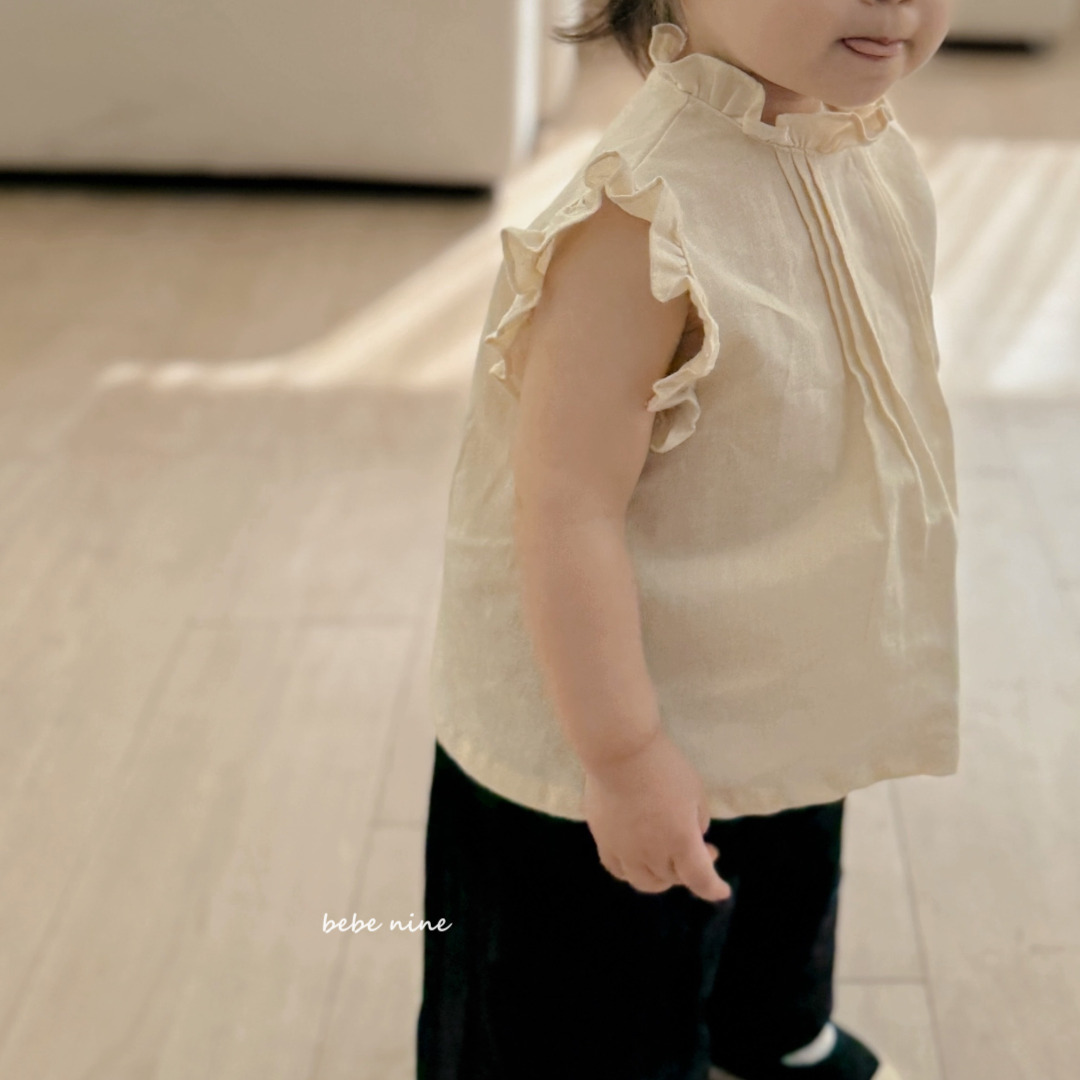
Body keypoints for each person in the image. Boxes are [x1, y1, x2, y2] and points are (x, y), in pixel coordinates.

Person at [416, 0, 959, 1078]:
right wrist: (622, 757)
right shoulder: (642, 219)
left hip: (773, 662)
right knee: (589, 992)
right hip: (605, 709)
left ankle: (771, 1031)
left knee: (781, 866)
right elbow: (565, 508)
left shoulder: (860, 146)